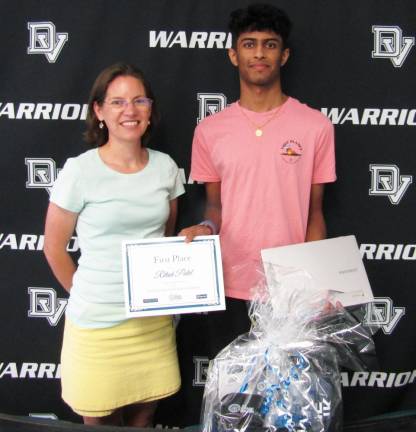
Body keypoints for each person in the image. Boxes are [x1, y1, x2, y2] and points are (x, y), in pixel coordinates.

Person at [179, 3, 336, 354]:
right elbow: (215, 207)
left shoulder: (316, 126)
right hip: (229, 285)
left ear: (284, 55)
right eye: (249, 44)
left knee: (288, 402)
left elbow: (314, 213)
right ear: (234, 55)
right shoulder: (210, 130)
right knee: (234, 400)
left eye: (270, 44)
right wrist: (205, 226)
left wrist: (313, 285)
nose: (260, 53)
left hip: (290, 290)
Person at [43, 63, 184, 426]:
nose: (130, 110)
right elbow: (54, 247)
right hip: (97, 325)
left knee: (145, 418)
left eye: (139, 100)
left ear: (150, 110)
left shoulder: (166, 168)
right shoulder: (80, 171)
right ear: (99, 111)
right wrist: (88, 294)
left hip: (151, 323)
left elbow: (165, 237)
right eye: (117, 101)